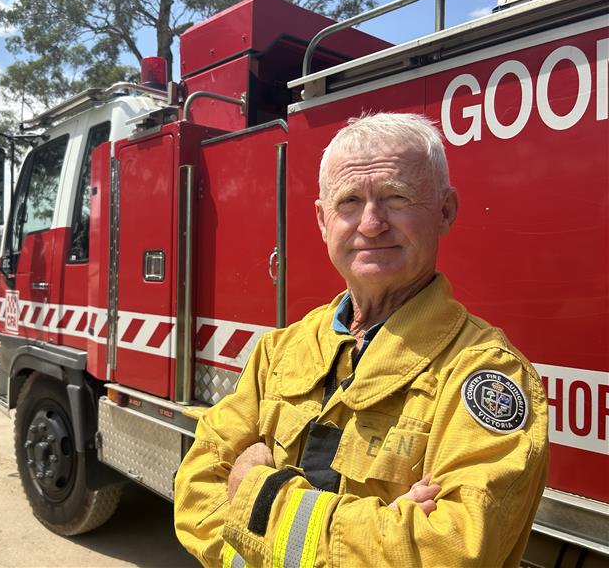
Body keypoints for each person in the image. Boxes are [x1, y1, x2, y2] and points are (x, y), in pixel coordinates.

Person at [174, 113, 548, 567]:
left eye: (396, 197)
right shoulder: (282, 350)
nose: (371, 224)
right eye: (349, 201)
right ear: (321, 219)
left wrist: (256, 493)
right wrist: (380, 531)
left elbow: (449, 553)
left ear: (446, 210)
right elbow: (194, 491)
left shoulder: (482, 373)